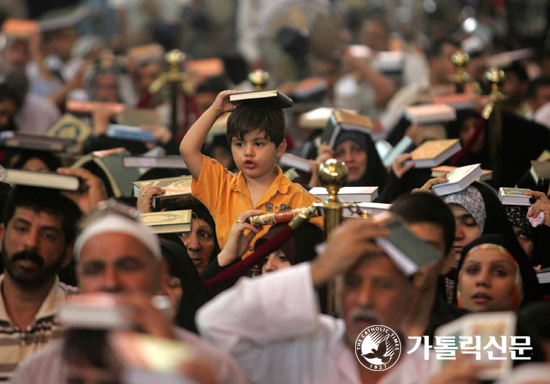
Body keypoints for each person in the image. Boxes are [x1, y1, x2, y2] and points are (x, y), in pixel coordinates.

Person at [10, 206, 247, 384]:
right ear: (79, 278)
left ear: (160, 273)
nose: (111, 282)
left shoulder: (213, 366)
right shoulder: (42, 371)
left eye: (127, 266)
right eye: (95, 269)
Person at [197, 216, 446, 384]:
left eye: (382, 286)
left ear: (411, 295)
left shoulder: (433, 372)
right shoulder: (303, 346)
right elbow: (215, 323)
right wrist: (318, 270)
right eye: (352, 283)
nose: (364, 300)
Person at [179, 90, 321, 253]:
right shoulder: (222, 187)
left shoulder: (299, 197)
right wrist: (215, 109)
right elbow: (187, 149)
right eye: (239, 144)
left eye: (259, 144)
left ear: (280, 148)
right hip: (233, 277)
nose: (248, 152)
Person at [0, 186, 81, 381]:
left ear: (68, 253)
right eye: (21, 229)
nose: (31, 243)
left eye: (48, 235)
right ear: (1, 235)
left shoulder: (85, 316)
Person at [453, 234, 542, 313]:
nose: (482, 280)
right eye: (472, 270)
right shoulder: (440, 331)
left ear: (520, 283)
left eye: (499, 272)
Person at [310, 130, 388, 189]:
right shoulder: (323, 200)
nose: (349, 158)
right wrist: (316, 179)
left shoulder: (391, 192)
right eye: (340, 153)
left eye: (357, 150)